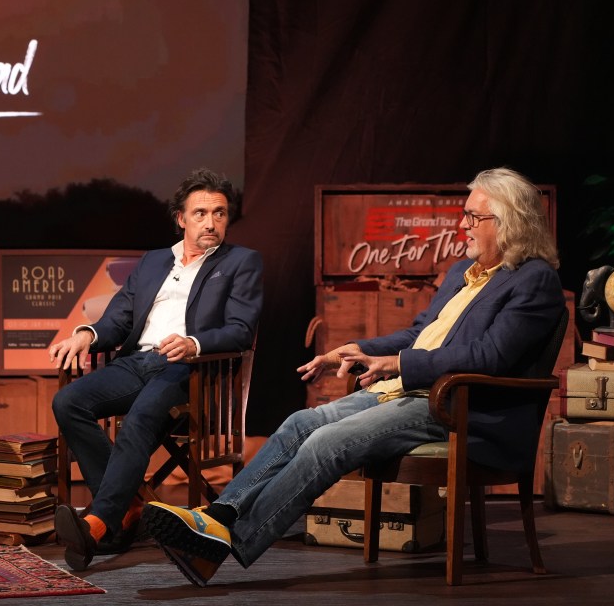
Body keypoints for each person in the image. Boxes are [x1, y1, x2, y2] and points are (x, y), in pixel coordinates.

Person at [142, 167, 565, 586]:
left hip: (462, 408)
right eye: (465, 214)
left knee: (328, 442)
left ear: (509, 222)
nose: (463, 225)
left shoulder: (534, 281)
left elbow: (490, 356)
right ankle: (218, 519)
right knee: (299, 423)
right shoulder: (462, 274)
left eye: (475, 217)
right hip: (416, 391)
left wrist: (399, 364)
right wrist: (363, 349)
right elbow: (420, 333)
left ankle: (229, 542)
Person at [48, 168, 263, 571]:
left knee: (142, 418)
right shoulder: (151, 262)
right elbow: (118, 321)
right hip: (137, 362)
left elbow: (240, 329)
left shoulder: (241, 262)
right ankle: (127, 505)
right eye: (200, 213)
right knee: (68, 401)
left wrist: (194, 343)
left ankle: (98, 524)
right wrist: (86, 335)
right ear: (180, 218)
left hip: (191, 369)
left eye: (219, 213)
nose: (211, 222)